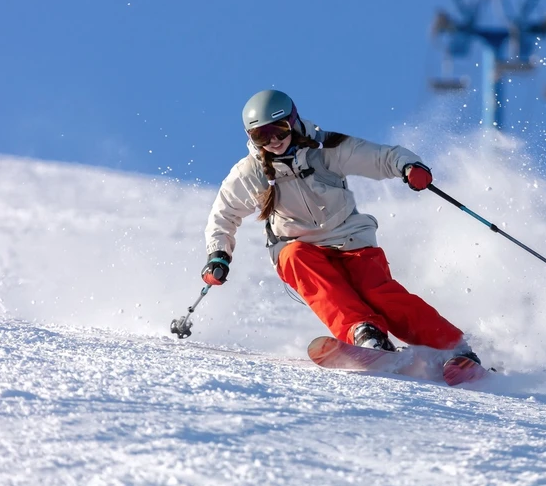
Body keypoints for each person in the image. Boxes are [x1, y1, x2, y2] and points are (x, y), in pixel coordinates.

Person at [201, 89, 479, 363]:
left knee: (378, 294)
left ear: (294, 122)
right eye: (262, 135)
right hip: (300, 247)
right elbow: (223, 215)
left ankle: (452, 347)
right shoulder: (250, 173)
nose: (273, 141)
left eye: (280, 130)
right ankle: (364, 333)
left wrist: (408, 166)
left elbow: (379, 156)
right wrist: (218, 254)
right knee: (297, 260)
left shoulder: (325, 149)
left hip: (351, 240)